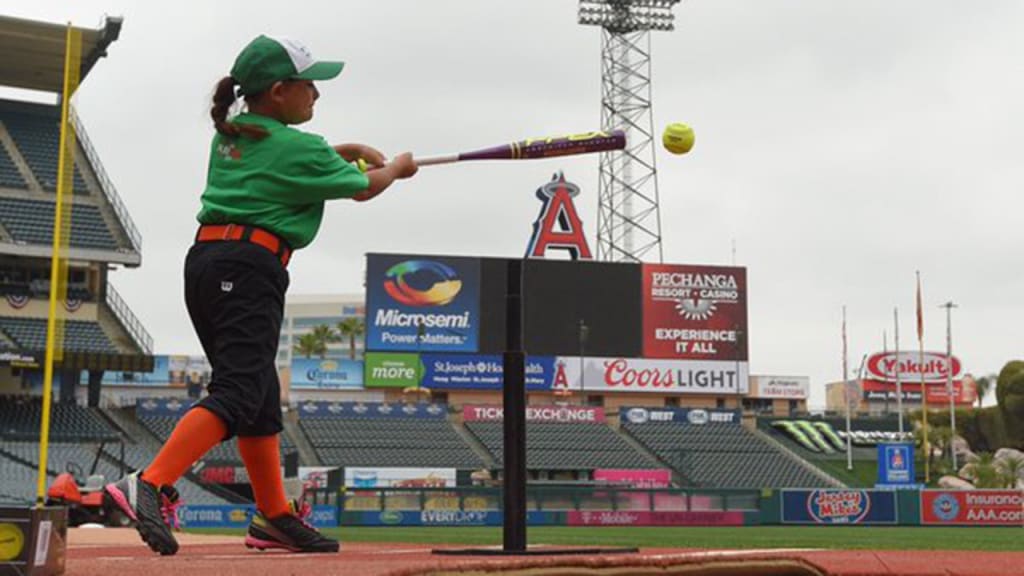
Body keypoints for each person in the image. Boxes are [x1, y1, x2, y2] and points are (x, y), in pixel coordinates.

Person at [105, 34, 417, 556]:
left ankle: (273, 515)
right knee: (240, 391)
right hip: (248, 269)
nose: (317, 94)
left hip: (207, 264)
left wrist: (350, 150)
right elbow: (365, 186)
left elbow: (302, 163)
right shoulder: (299, 149)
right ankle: (150, 482)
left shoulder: (233, 133)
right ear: (278, 91)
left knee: (260, 397)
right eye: (309, 84)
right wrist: (396, 168)